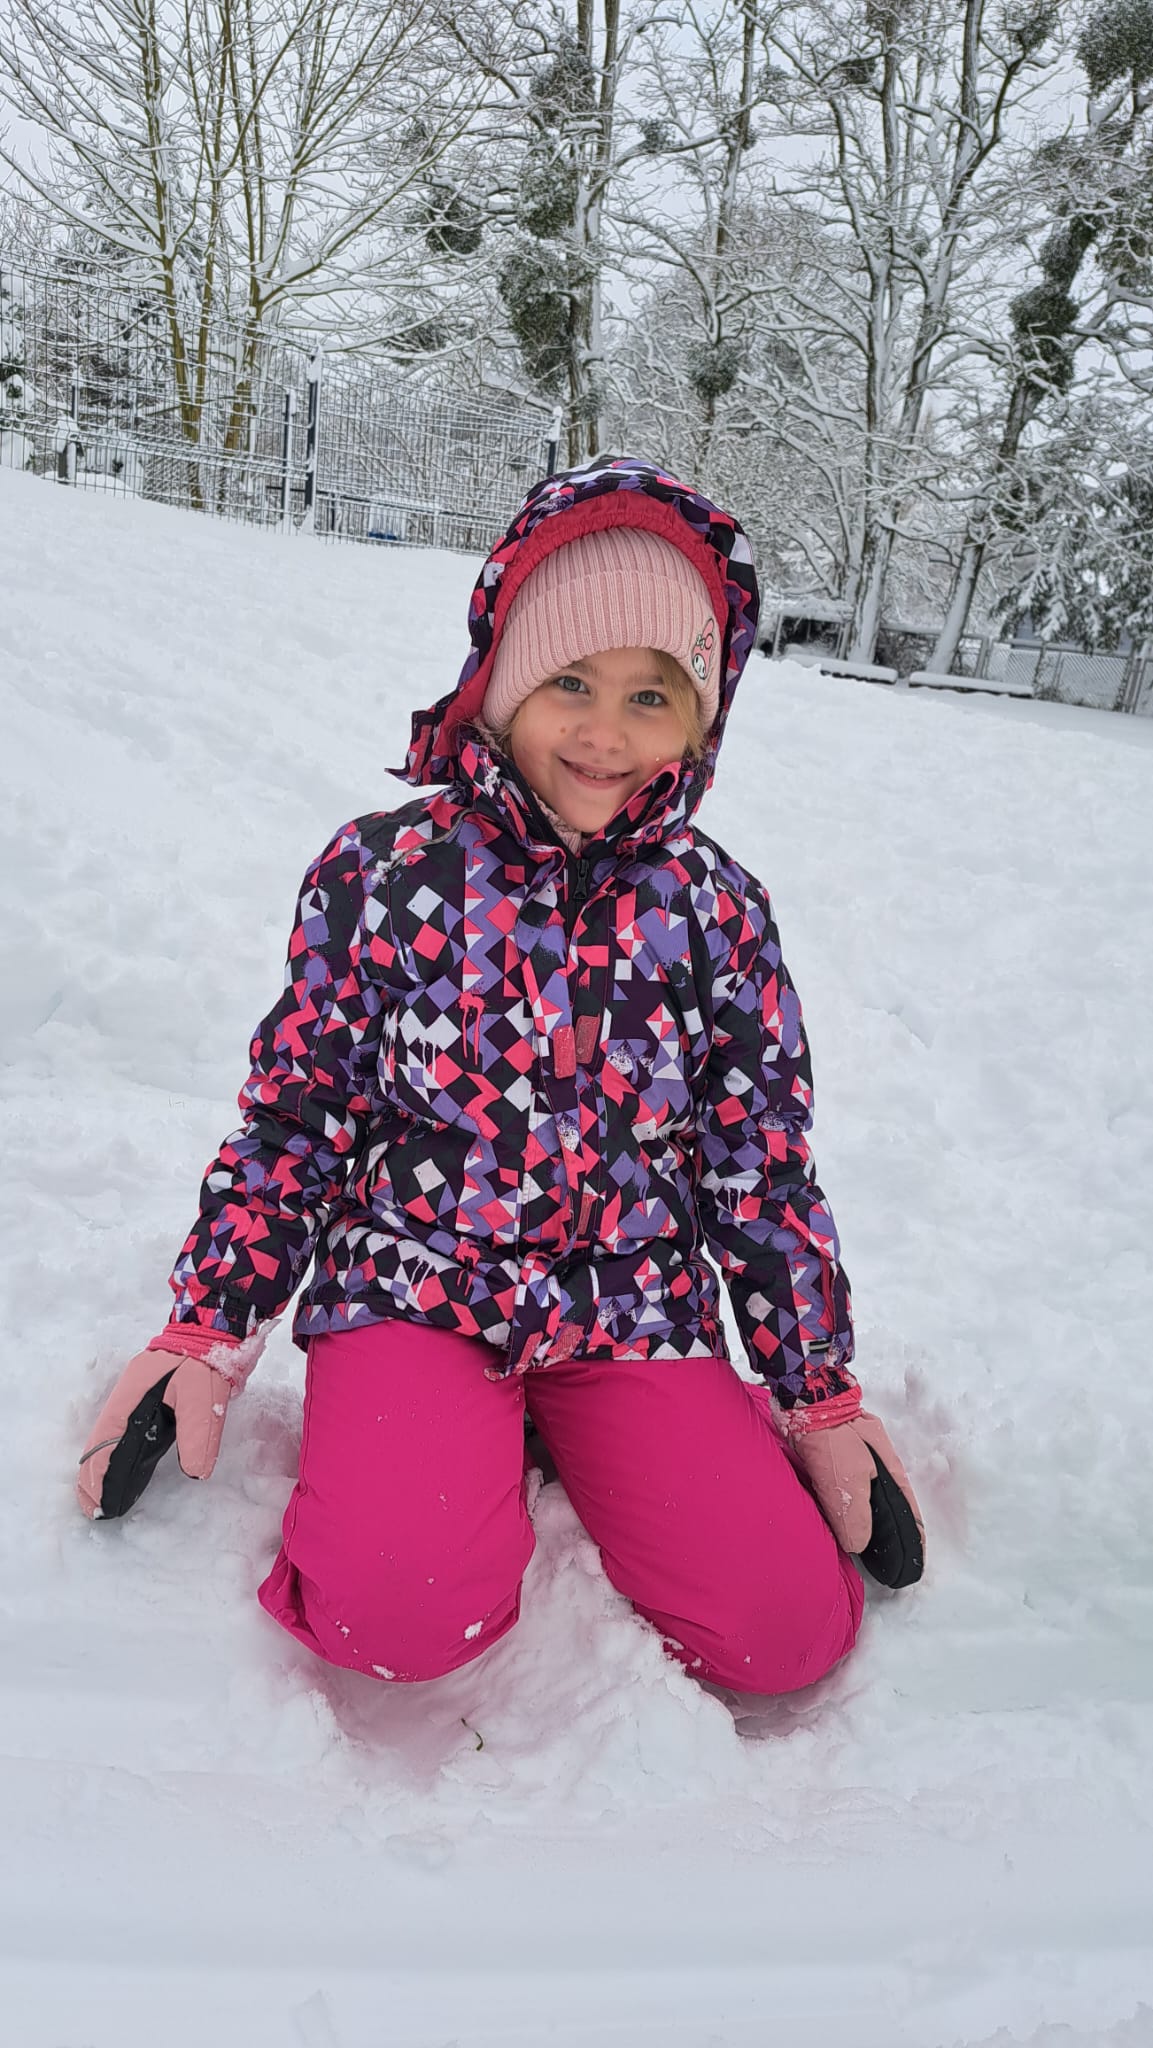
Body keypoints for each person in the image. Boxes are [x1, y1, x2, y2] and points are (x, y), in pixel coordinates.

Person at [77, 456, 924, 1696]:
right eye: (569, 680)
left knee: (784, 1634)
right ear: (502, 678)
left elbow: (758, 1167)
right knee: (397, 1614)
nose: (604, 732)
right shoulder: (384, 873)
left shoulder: (716, 912)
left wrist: (820, 1394)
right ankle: (437, 1442)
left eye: (651, 694)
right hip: (418, 1285)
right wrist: (206, 1324)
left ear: (701, 717)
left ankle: (594, 1433)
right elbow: (295, 1122)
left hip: (629, 1308)